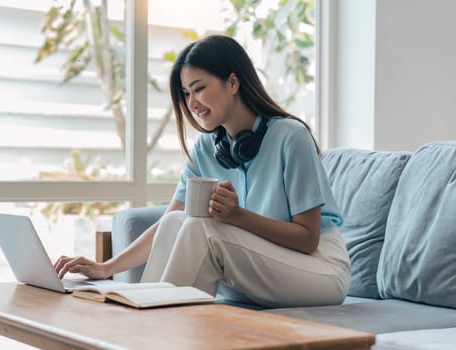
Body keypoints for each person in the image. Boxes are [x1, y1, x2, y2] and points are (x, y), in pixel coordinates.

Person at [55, 34, 350, 308]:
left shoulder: (290, 137)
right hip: (258, 268)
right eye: (186, 93)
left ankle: (152, 326)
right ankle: (147, 320)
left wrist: (238, 216)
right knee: (177, 221)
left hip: (319, 270)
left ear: (232, 83)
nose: (192, 103)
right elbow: (169, 222)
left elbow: (308, 239)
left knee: (201, 228)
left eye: (199, 89)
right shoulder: (207, 148)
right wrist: (107, 268)